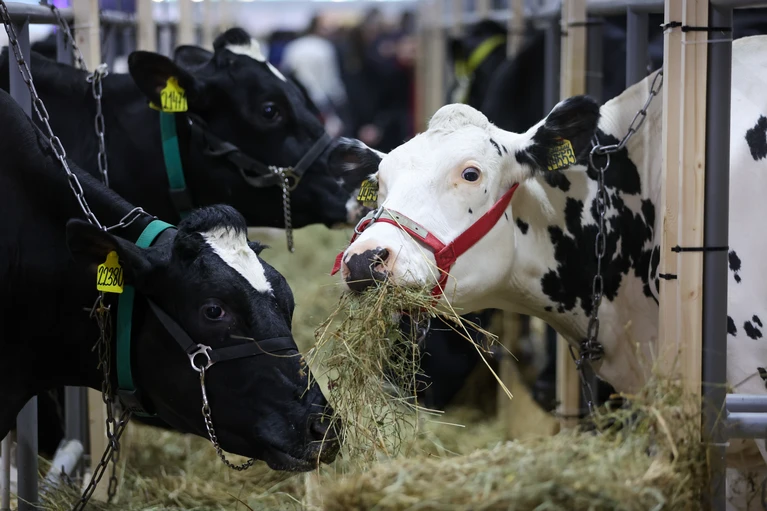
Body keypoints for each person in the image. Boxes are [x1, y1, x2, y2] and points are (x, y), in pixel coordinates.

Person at [280, 15, 348, 137]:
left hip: (298, 99)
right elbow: (330, 79)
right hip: (321, 102)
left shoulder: (294, 46)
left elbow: (286, 72)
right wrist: (340, 99)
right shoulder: (324, 47)